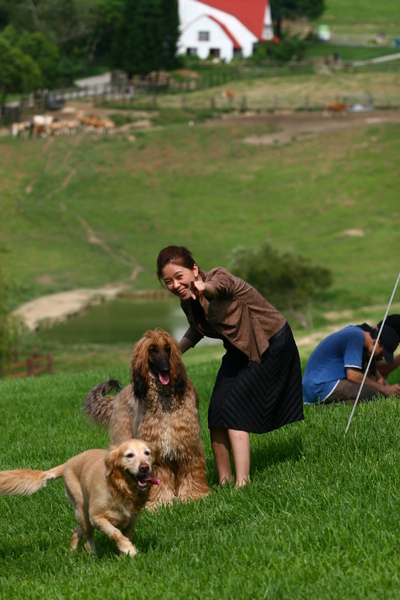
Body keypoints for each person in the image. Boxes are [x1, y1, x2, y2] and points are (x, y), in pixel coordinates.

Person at [156, 245, 304, 488]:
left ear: (194, 270)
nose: (175, 285)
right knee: (217, 413)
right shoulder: (188, 301)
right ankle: (225, 483)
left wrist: (205, 288)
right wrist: (174, 353)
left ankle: (242, 483)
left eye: (179, 277)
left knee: (236, 411)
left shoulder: (219, 276)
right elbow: (198, 328)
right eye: (168, 281)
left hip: (268, 342)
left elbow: (218, 289)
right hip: (239, 348)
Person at [302, 324, 400, 405]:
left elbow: (375, 376)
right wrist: (384, 389)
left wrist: (390, 389)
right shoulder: (356, 337)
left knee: (374, 390)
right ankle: (322, 407)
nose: (381, 357)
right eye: (382, 353)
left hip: (313, 386)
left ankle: (324, 404)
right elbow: (353, 376)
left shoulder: (357, 334)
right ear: (376, 342)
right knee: (375, 395)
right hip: (319, 385)